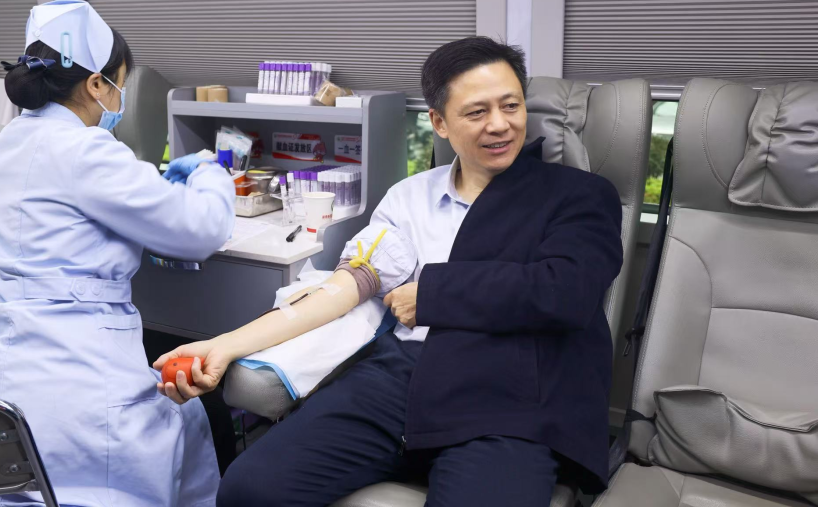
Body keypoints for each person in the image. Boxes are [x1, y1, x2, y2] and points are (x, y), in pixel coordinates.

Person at [155, 37, 623, 506]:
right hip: (401, 379)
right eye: (477, 112)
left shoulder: (577, 195)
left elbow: (567, 291)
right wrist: (223, 345)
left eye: (511, 105)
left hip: (510, 394)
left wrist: (431, 295)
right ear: (439, 122)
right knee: (249, 490)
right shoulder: (412, 196)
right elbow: (343, 288)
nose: (500, 124)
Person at [0, 0, 234, 507]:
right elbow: (202, 229)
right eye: (119, 83)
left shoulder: (10, 140)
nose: (120, 96)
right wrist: (211, 172)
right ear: (97, 84)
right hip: (74, 390)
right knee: (187, 416)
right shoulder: (87, 149)